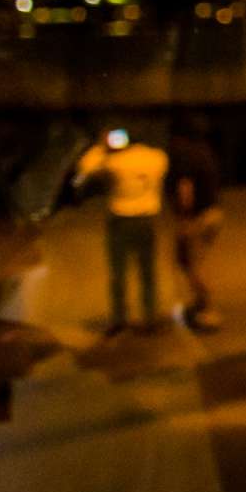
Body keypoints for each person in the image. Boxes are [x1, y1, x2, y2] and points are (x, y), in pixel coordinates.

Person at [74, 125, 170, 335]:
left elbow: (85, 168)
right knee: (147, 272)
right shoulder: (158, 157)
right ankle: (149, 316)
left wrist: (101, 146)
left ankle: (119, 319)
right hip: (148, 219)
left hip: (120, 219)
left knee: (118, 271)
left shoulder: (113, 162)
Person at [167, 115, 224, 335]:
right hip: (213, 212)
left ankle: (209, 311)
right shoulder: (203, 150)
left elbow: (185, 188)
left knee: (192, 264)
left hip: (197, 216)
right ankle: (200, 304)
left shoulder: (182, 153)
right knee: (188, 261)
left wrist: (184, 218)